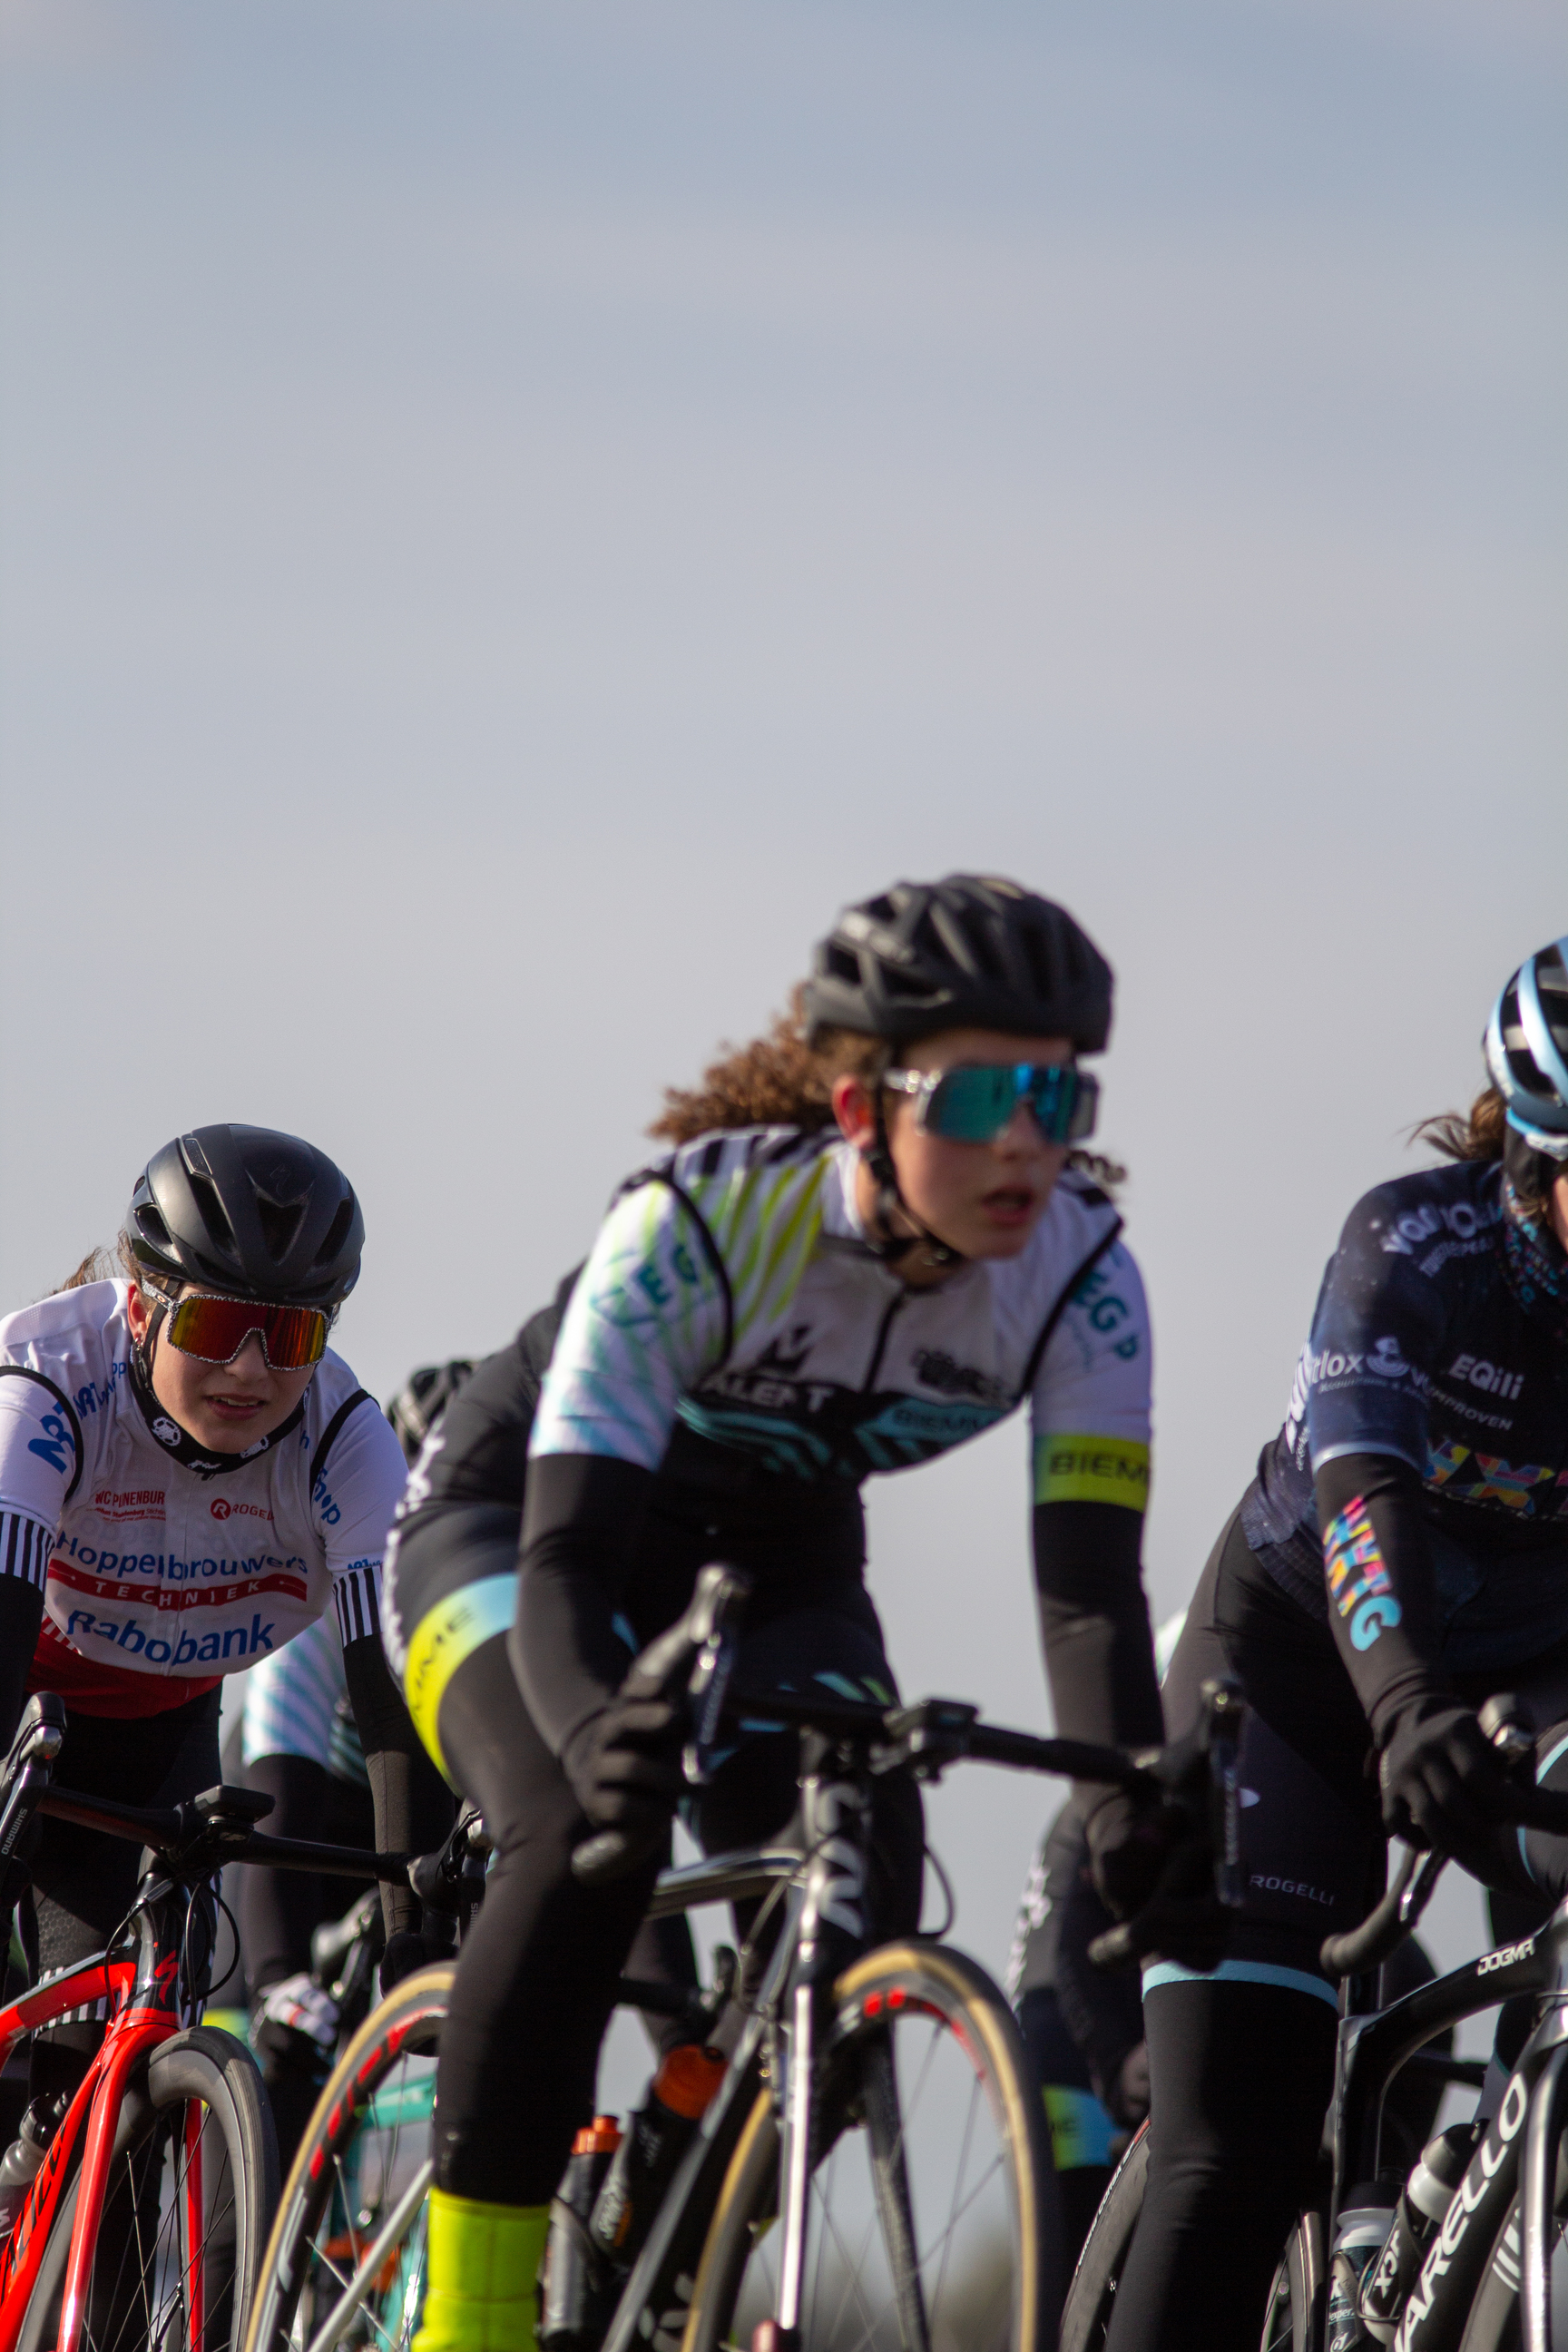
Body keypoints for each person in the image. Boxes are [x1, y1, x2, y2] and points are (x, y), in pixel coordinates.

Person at [384, 873, 1185, 2352]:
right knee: (572, 1831)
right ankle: (473, 2321)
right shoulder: (701, 1223)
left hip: (773, 1559)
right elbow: (564, 1567)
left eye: (1056, 1095)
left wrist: (1133, 1800)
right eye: (975, 1095)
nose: (1023, 1137)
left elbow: (1087, 1599)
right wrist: (595, 1728)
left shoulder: (1082, 1278)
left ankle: (675, 2200)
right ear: (856, 1107)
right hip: (516, 1529)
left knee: (855, 1897)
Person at [1103, 936, 1568, 2352]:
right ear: (1545, 1155)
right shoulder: (1418, 1247)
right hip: (1307, 1670)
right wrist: (1408, 1701)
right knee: (1231, 2142)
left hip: (1533, 1679)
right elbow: (1360, 1493)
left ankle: (1485, 2190)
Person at [0, 1123, 425, 2172]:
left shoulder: (346, 1439)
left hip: (159, 1721)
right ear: (143, 1305)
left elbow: (388, 1704)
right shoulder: (45, 1384)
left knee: (115, 2096)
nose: (249, 1369)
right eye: (223, 1323)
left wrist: (410, 1921)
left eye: (288, 1337)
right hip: (20, 1690)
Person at [236, 1365, 468, 2161]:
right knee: (283, 2052)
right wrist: (276, 1980)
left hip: (423, 1828)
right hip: (300, 1832)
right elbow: (275, 1799)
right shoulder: (323, 1613)